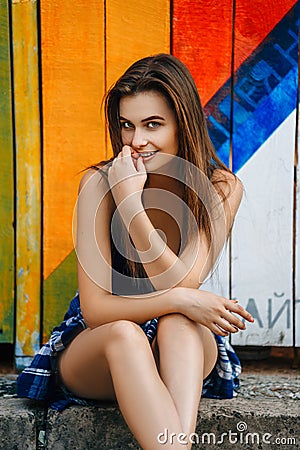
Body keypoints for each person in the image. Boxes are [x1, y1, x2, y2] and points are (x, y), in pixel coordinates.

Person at [17, 53, 254, 449]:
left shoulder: (220, 188)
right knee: (130, 334)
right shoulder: (98, 184)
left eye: (153, 125)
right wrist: (125, 200)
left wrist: (134, 210)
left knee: (179, 321)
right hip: (104, 342)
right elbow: (96, 311)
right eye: (127, 125)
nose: (136, 141)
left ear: (183, 125)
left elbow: (185, 280)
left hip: (182, 344)